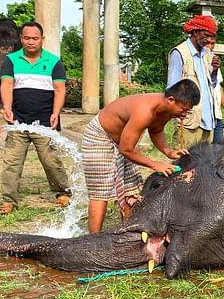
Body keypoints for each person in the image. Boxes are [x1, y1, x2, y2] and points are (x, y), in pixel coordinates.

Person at [82, 78, 198, 234]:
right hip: (100, 137)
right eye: (183, 109)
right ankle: (93, 240)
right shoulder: (144, 110)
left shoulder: (166, 109)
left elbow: (156, 130)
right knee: (101, 191)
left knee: (132, 188)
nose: (184, 114)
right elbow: (126, 150)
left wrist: (168, 152)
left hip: (123, 142)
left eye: (188, 110)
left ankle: (126, 233)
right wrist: (155, 164)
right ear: (171, 100)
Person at [0, 21, 71, 215]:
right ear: (21, 39)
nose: (31, 42)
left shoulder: (53, 62)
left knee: (50, 160)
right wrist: (7, 107)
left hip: (45, 123)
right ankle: (9, 200)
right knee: (12, 162)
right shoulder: (11, 60)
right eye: (27, 38)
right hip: (17, 122)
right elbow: (6, 85)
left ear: (42, 40)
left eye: (35, 38)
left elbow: (59, 89)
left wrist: (56, 113)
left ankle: (62, 193)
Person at [167, 14, 219, 148]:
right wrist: (179, 113)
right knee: (183, 164)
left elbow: (211, 85)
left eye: (211, 36)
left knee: (205, 165)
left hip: (208, 121)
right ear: (195, 32)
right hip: (189, 122)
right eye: (206, 35)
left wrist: (214, 71)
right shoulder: (179, 53)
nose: (209, 40)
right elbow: (172, 89)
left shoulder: (207, 54)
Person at [203, 39, 224, 143]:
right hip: (203, 117)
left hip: (216, 115)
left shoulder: (214, 60)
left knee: (219, 151)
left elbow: (217, 87)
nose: (209, 46)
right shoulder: (197, 60)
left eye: (212, 43)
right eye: (206, 43)